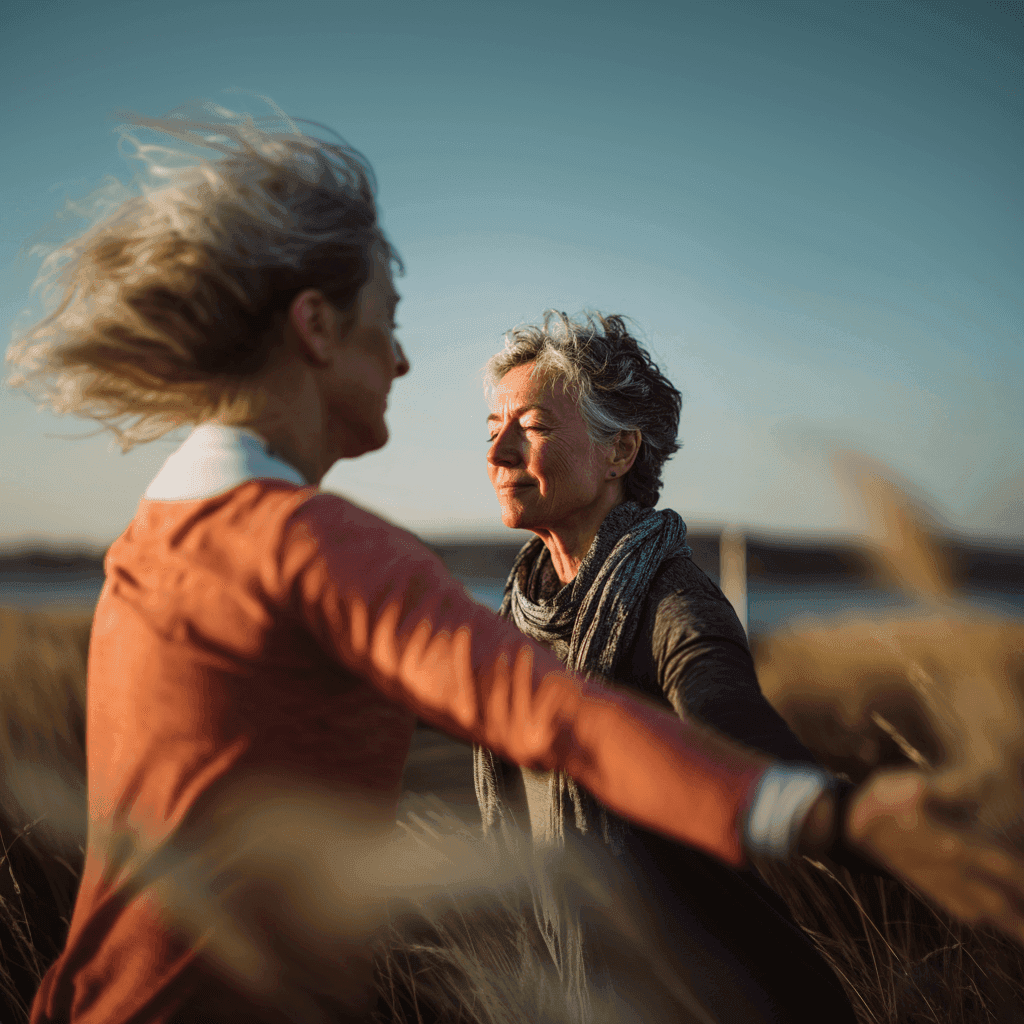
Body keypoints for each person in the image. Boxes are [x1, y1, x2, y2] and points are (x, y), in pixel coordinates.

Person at [7, 107, 1024, 1024]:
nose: (403, 362)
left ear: (622, 450)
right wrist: (831, 814)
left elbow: (692, 703)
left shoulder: (153, 539)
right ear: (315, 328)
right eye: (390, 322)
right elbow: (546, 710)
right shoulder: (316, 546)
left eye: (527, 425)